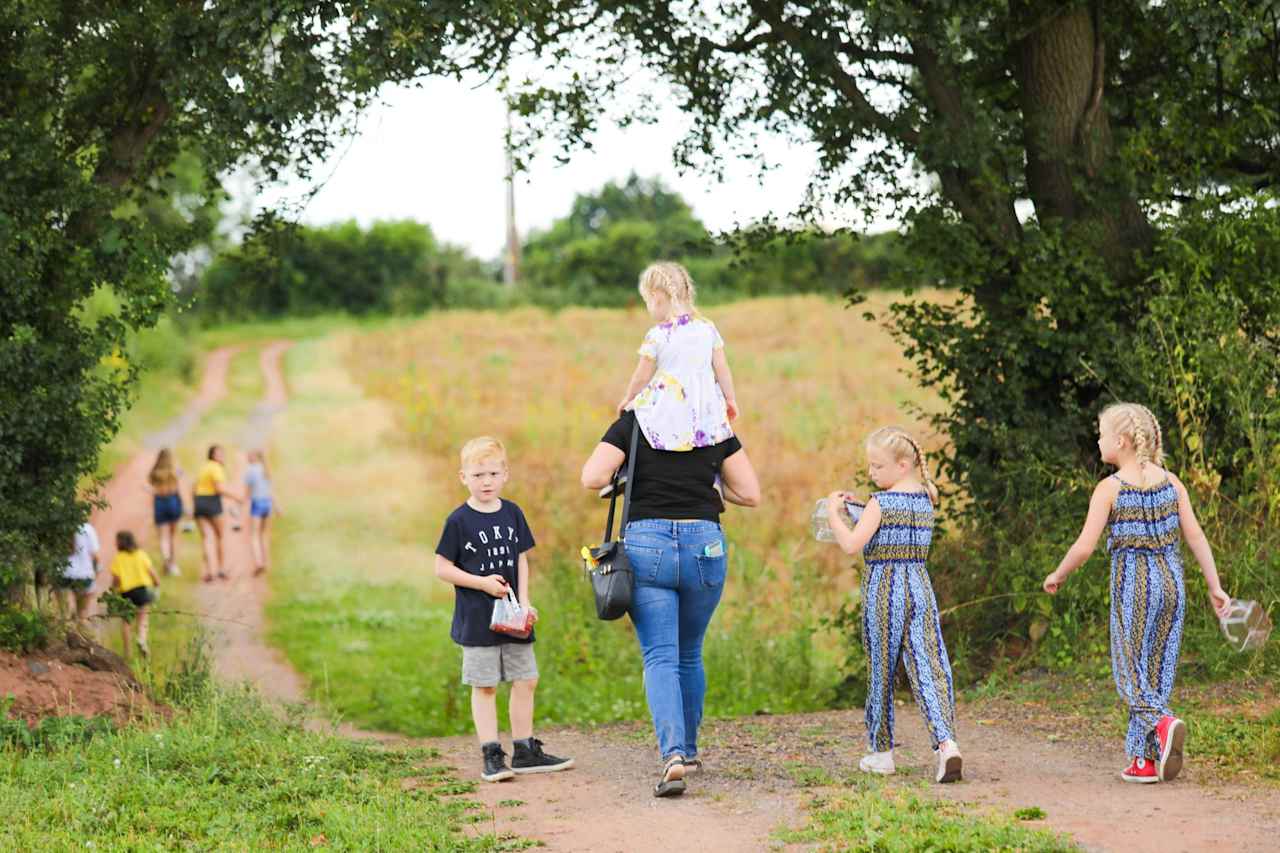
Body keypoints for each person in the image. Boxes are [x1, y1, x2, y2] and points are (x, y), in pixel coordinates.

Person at [1043, 402, 1231, 784]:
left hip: (1136, 588)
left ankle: (1162, 723)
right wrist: (1215, 586)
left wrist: (1058, 573)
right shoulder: (1171, 482)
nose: (1097, 440)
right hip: (1173, 585)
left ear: (1123, 441)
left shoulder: (1110, 489)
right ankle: (1143, 761)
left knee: (1130, 673)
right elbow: (1195, 535)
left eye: (1101, 435)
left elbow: (1084, 547)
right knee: (1155, 672)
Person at [580, 406, 761, 797]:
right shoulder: (714, 424)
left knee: (660, 656)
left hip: (648, 543)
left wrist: (628, 477)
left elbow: (591, 476)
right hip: (705, 543)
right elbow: (750, 493)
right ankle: (691, 752)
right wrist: (713, 487)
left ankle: (673, 755)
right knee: (690, 652)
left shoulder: (637, 420)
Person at [824, 426, 963, 784]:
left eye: (877, 467)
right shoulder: (926, 496)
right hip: (919, 585)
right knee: (928, 663)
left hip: (883, 590)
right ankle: (946, 744)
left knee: (882, 668)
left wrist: (834, 515)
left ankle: (881, 752)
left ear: (902, 465)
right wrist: (859, 507)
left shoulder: (881, 503)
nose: (871, 474)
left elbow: (853, 544)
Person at [434, 436, 574, 783]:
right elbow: (442, 567)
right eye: (478, 474)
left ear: (505, 474)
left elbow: (521, 559)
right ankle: (492, 753)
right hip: (477, 619)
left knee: (526, 679)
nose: (486, 481)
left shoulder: (512, 512)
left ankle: (525, 750)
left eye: (493, 473)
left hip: (513, 617)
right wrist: (481, 583)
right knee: (484, 685)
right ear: (463, 477)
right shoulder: (459, 521)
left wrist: (526, 600)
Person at [616, 261, 739, 451]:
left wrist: (629, 398)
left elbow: (641, 377)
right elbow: (722, 370)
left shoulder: (656, 334)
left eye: (647, 301)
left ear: (656, 296)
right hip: (704, 411)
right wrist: (730, 399)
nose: (648, 307)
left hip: (669, 408)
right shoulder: (708, 327)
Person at [193, 444, 243, 582]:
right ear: (213, 455)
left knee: (206, 538)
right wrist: (236, 497)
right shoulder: (216, 468)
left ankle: (209, 571)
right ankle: (221, 569)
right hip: (211, 502)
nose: (222, 457)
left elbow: (194, 486)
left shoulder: (204, 467)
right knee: (219, 536)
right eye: (219, 454)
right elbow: (219, 488)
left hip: (199, 501)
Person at [109, 530, 160, 659]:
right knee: (143, 618)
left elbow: (116, 579)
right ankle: (142, 639)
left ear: (120, 543)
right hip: (142, 591)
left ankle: (127, 652)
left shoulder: (118, 558)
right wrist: (156, 583)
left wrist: (112, 593)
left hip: (126, 593)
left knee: (126, 623)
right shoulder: (141, 554)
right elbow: (151, 572)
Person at [146, 448, 184, 576]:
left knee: (162, 537)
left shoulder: (154, 473)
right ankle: (173, 564)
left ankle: (167, 561)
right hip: (173, 501)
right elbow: (179, 487)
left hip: (160, 503)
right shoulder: (175, 471)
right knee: (173, 535)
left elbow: (151, 487)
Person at [56, 520, 100, 627]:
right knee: (82, 613)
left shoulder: (59, 527)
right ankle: (81, 634)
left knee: (63, 613)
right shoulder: (87, 529)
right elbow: (95, 554)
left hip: (62, 574)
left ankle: (65, 631)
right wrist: (97, 570)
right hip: (83, 575)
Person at [244, 449, 280, 576]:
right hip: (267, 504)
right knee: (264, 535)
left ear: (253, 456)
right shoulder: (266, 470)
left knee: (254, 535)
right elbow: (271, 491)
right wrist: (277, 507)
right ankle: (266, 562)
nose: (246, 455)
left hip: (257, 504)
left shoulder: (250, 471)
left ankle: (258, 563)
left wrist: (241, 506)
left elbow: (247, 493)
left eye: (248, 453)